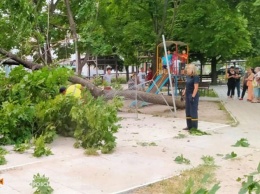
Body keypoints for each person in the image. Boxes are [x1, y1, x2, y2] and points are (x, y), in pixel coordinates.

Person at [182, 64, 199, 130]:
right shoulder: (187, 76)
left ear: (192, 70)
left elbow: (196, 88)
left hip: (193, 95)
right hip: (187, 95)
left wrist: (193, 96)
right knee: (188, 110)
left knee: (193, 111)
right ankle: (189, 126)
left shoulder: (195, 77)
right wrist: (184, 93)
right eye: (187, 69)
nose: (187, 70)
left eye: (189, 69)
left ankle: (194, 127)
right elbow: (187, 86)